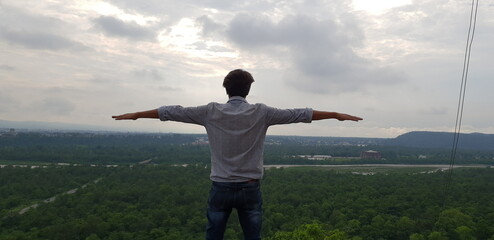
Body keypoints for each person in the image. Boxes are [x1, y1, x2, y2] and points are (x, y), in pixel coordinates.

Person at [112, 69, 362, 240]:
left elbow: (171, 111)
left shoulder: (209, 111)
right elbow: (301, 114)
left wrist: (137, 114)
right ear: (248, 89)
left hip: (220, 188)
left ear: (225, 88)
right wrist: (335, 113)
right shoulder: (262, 112)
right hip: (250, 188)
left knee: (214, 235)